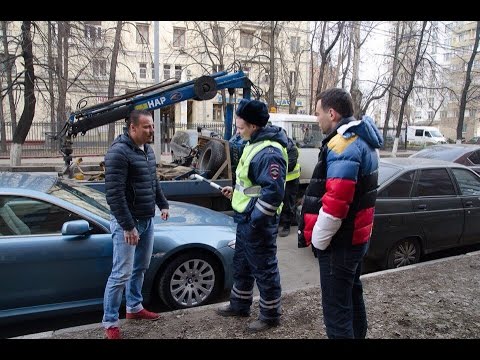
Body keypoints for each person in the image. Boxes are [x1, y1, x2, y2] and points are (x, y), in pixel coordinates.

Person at [298, 88, 383, 339]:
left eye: (318, 113)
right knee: (353, 297)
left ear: (332, 113)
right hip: (356, 239)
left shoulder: (343, 144)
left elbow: (336, 204)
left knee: (336, 314)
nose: (317, 119)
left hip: (340, 244)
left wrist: (319, 241)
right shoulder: (363, 140)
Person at [216, 99, 288, 333]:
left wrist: (256, 219)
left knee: (264, 268)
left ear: (254, 126)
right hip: (247, 218)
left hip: (257, 222)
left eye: (240, 127)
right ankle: (240, 305)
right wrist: (235, 192)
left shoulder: (268, 152)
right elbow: (252, 186)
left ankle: (270, 315)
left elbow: (272, 192)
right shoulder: (254, 143)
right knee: (243, 265)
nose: (237, 132)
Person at [102, 109, 170, 340]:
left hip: (146, 220)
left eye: (152, 126)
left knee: (140, 268)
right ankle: (110, 322)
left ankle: (134, 308)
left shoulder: (148, 151)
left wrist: (163, 204)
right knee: (121, 273)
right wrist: (128, 226)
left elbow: (153, 181)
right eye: (147, 127)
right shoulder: (118, 153)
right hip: (127, 224)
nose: (151, 131)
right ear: (132, 128)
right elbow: (114, 195)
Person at [278, 134, 300, 237]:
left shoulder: (292, 149)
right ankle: (282, 222)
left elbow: (289, 166)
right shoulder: (278, 147)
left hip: (291, 181)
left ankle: (287, 226)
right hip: (281, 180)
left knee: (288, 203)